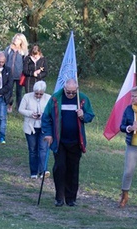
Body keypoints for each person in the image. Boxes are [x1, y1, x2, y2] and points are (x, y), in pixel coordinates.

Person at [42, 78, 95, 207]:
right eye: (68, 92)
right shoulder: (56, 98)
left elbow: (90, 115)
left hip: (76, 141)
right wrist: (48, 133)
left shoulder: (82, 99)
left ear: (77, 89)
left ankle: (71, 198)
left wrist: (83, 115)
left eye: (73, 92)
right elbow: (46, 117)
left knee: (73, 169)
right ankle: (59, 197)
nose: (70, 94)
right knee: (60, 167)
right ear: (64, 88)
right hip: (59, 140)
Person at [18, 81, 51, 179]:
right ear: (33, 91)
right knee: (32, 150)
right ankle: (33, 172)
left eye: (41, 94)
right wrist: (31, 113)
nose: (38, 95)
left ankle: (43, 170)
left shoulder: (48, 98)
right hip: (30, 127)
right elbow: (21, 109)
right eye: (36, 93)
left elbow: (51, 111)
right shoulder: (27, 97)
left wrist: (43, 115)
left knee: (43, 149)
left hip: (43, 127)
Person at [5, 33, 28, 109]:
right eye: (15, 38)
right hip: (9, 74)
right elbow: (5, 59)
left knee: (19, 92)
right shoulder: (8, 49)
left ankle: (19, 107)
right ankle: (8, 105)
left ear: (21, 41)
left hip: (19, 74)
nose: (15, 40)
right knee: (9, 91)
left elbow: (25, 63)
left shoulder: (23, 51)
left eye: (18, 39)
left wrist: (24, 72)